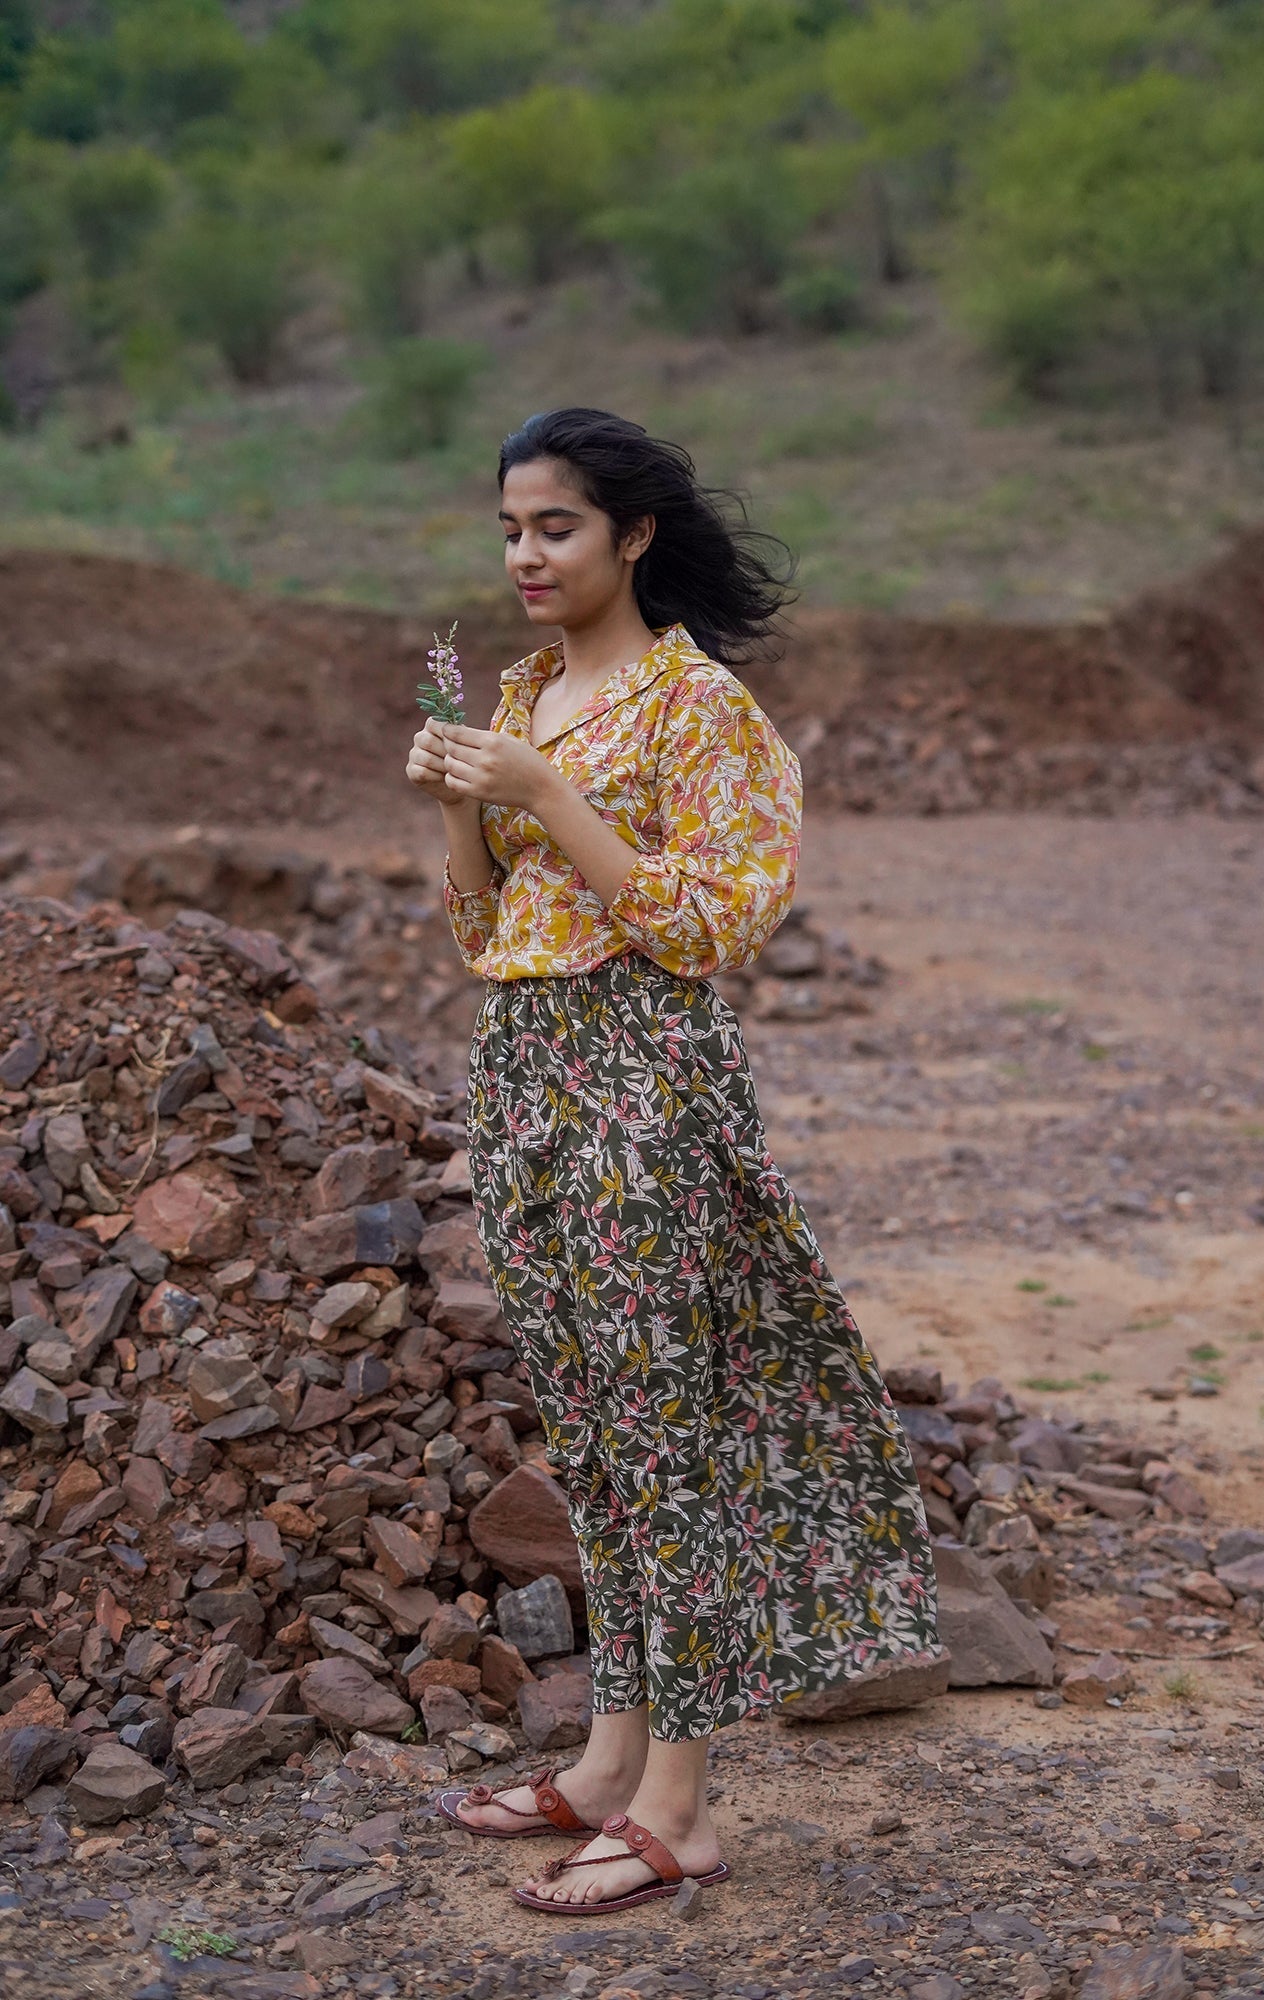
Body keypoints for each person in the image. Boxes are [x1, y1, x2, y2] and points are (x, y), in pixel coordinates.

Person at [406, 407, 941, 1915]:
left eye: (555, 526)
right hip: (527, 1076)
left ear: (633, 535)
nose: (524, 555)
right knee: (593, 1436)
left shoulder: (698, 707)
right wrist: (463, 811)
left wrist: (541, 795)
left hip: (643, 1080)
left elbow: (713, 926)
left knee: (668, 1439)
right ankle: (605, 1763)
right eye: (509, 530)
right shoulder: (528, 692)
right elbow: (484, 932)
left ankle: (681, 1806)